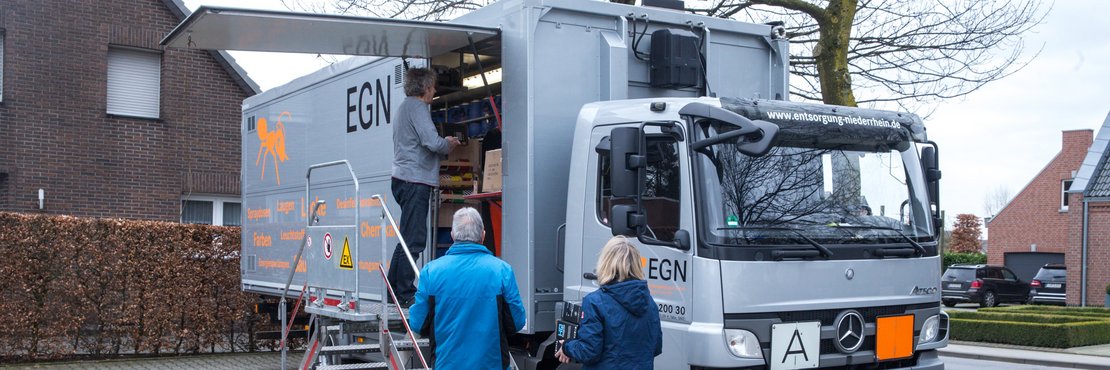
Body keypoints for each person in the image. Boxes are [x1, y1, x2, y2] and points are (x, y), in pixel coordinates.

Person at [408, 207, 527, 369]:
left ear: (452, 235)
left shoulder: (431, 271)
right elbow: (517, 322)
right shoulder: (502, 270)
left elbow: (418, 323)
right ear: (483, 235)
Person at [389, 67, 461, 305]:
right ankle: (404, 292)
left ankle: (394, 289)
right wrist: (448, 144)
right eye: (433, 86)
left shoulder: (403, 108)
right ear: (425, 87)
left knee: (408, 236)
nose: (434, 90)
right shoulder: (418, 108)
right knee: (415, 239)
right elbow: (431, 141)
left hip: (403, 179)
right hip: (415, 180)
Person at [556, 236, 662, 369]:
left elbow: (588, 351)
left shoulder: (594, 302)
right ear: (636, 264)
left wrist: (566, 346)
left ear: (605, 262)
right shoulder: (650, 303)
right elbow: (656, 347)